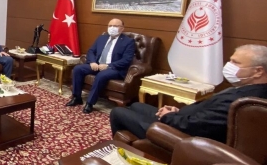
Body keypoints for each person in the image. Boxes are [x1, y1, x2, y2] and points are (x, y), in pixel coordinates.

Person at [110, 45, 267, 142]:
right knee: (137, 105)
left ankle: (123, 148)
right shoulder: (247, 88)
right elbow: (207, 115)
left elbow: (195, 127)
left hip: (180, 134)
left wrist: (168, 116)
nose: (228, 65)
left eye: (235, 63)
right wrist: (177, 111)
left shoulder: (244, 102)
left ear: (258, 71)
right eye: (230, 60)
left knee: (118, 112)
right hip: (183, 119)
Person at [66, 18, 135, 114]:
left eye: (115, 26)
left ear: (122, 28)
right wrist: (92, 62)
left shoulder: (128, 41)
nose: (112, 28)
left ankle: (90, 103)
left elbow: (126, 60)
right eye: (110, 26)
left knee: (101, 75)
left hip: (114, 68)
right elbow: (91, 51)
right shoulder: (102, 38)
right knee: (78, 69)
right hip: (97, 65)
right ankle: (76, 97)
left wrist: (108, 65)